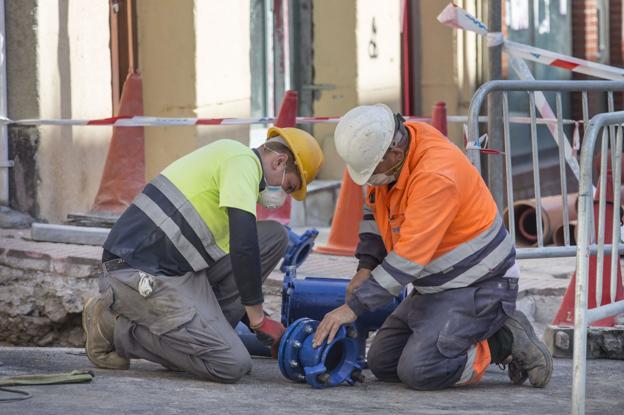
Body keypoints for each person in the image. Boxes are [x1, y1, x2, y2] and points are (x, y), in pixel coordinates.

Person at [312, 104, 552, 390]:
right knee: (383, 363)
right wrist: (366, 267)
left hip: (480, 285)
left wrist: (353, 307)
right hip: (435, 287)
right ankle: (464, 336)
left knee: (421, 371)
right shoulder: (392, 155)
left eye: (373, 170)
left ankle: (503, 339)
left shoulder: (435, 176)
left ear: (395, 154)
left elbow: (408, 260)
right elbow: (374, 213)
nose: (370, 179)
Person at [83, 127, 323, 383]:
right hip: (136, 271)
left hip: (179, 269)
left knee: (276, 235)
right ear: (279, 161)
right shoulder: (242, 162)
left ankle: (203, 341)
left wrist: (256, 320)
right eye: (288, 185)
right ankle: (110, 325)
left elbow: (238, 265)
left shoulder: (233, 165)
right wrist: (259, 320)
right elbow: (244, 248)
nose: (281, 194)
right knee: (233, 365)